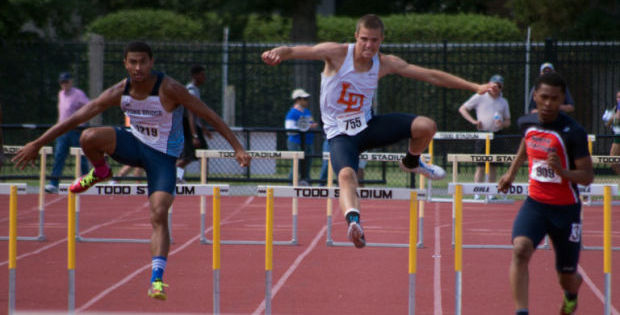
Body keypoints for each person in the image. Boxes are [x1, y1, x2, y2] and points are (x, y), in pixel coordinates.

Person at [12, 41, 251, 300]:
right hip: (133, 146)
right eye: (133, 62)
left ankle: (157, 279)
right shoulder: (119, 91)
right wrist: (37, 143)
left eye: (143, 62)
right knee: (88, 137)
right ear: (125, 64)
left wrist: (237, 147)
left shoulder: (169, 89)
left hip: (162, 158)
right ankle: (101, 172)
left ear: (151, 63)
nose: (138, 67)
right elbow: (76, 118)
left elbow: (210, 115)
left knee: (158, 213)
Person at [262, 14, 490, 248]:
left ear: (382, 39)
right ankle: (354, 222)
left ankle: (412, 162)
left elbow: (430, 75)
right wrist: (278, 51)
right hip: (340, 134)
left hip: (368, 127)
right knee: (345, 176)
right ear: (355, 37)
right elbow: (294, 51)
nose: (369, 45)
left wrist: (475, 87)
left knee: (427, 126)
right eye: (364, 39)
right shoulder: (337, 53)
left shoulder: (385, 62)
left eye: (374, 40)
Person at [498, 72, 593, 315]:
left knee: (566, 277)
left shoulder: (573, 132)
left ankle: (572, 293)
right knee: (520, 249)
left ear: (562, 99)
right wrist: (510, 173)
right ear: (535, 97)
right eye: (544, 97)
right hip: (536, 205)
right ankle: (522, 312)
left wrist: (561, 171)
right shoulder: (526, 122)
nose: (549, 103)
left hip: (566, 211)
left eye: (555, 98)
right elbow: (525, 144)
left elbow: (587, 176)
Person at [458, 74, 511, 199]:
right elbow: (463, 109)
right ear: (488, 85)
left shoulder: (503, 101)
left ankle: (491, 193)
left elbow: (508, 121)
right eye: (493, 85)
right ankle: (477, 191)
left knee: (493, 165)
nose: (495, 88)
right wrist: (473, 121)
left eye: (498, 86)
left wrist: (502, 123)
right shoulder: (480, 96)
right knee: (480, 165)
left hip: (496, 135)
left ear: (501, 87)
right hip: (483, 134)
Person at [45, 72, 90, 193]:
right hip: (62, 131)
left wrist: (81, 121)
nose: (64, 84)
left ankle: (86, 181)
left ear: (71, 81)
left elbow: (89, 107)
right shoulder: (60, 94)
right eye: (62, 82)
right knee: (59, 156)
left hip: (76, 130)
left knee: (81, 157)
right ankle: (53, 183)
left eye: (66, 82)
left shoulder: (78, 94)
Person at [176, 65, 213, 183]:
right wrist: (194, 135)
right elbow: (190, 114)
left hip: (193, 127)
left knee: (200, 154)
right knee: (190, 155)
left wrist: (203, 128)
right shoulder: (191, 91)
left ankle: (179, 176)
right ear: (195, 76)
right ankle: (175, 175)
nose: (204, 77)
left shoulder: (195, 90)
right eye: (202, 75)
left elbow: (197, 113)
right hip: (188, 127)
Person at [285, 88, 318, 185]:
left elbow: (311, 123)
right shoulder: (292, 113)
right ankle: (291, 185)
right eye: (305, 98)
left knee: (307, 164)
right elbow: (289, 130)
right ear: (298, 100)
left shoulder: (307, 112)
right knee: (296, 164)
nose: (307, 100)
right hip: (296, 142)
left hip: (308, 142)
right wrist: (308, 126)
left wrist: (310, 125)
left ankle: (306, 184)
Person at [604, 89, 620, 174]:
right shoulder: (614, 109)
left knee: (613, 160)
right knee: (613, 162)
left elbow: (618, 118)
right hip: (617, 137)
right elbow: (607, 124)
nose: (619, 99)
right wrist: (612, 117)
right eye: (618, 97)